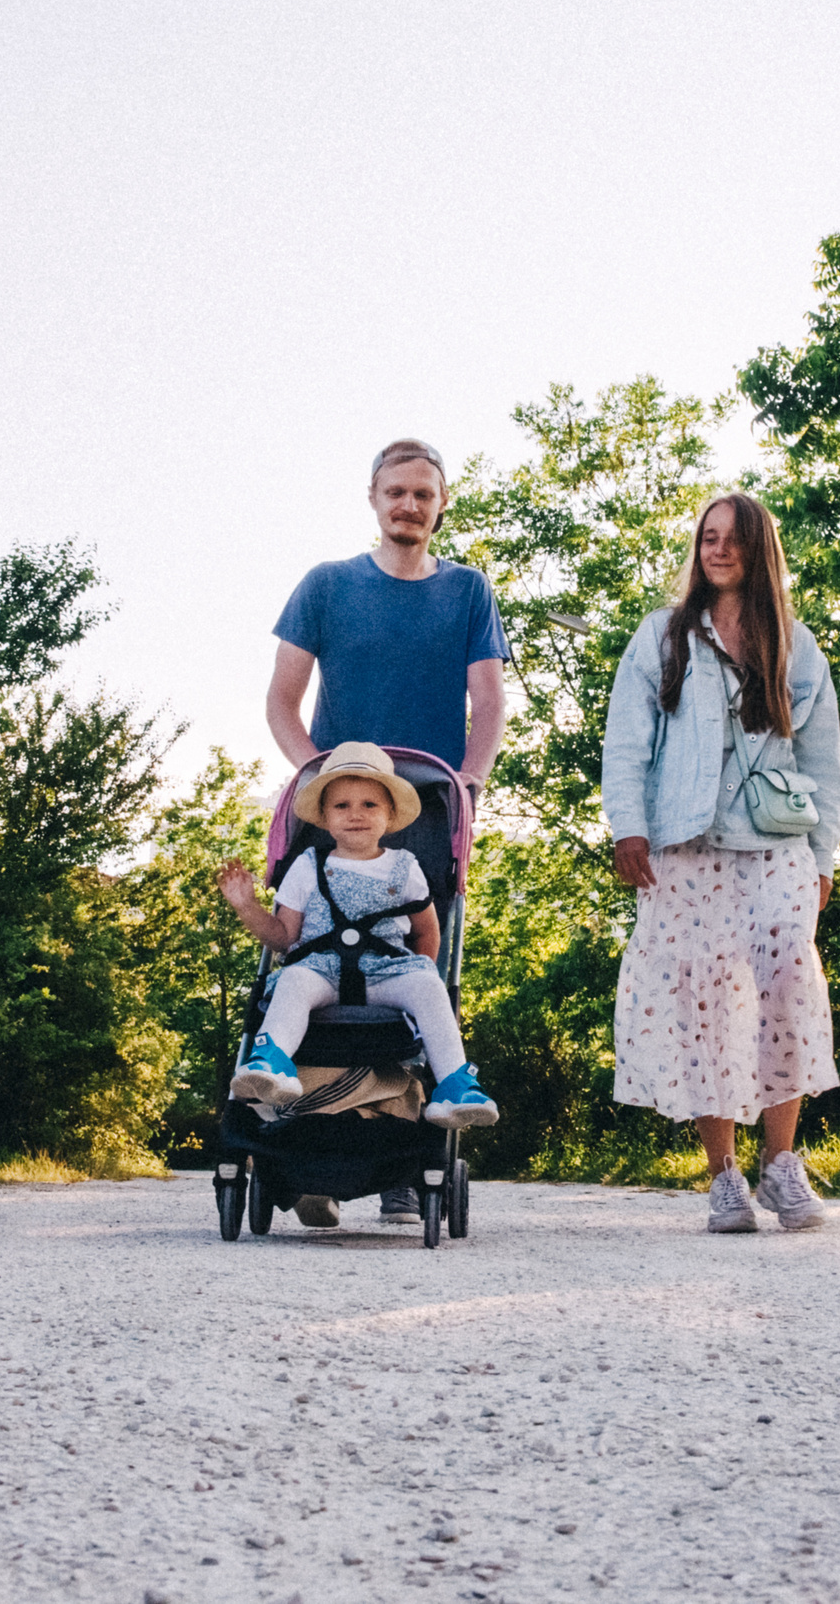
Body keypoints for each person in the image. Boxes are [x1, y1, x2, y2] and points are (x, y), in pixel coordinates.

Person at [266, 438, 509, 1226]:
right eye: (396, 492)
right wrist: (315, 774)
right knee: (309, 963)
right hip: (335, 808)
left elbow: (490, 700)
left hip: (427, 808)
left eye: (423, 495)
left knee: (414, 973)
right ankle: (303, 1139)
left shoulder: (468, 591)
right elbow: (281, 701)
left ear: (441, 504)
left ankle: (403, 1157)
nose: (409, 506)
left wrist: (469, 777)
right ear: (372, 496)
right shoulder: (327, 586)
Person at [599, 492, 840, 1233]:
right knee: (703, 1005)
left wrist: (823, 857)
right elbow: (627, 743)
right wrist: (629, 829)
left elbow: (824, 762)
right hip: (686, 849)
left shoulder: (796, 647)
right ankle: (724, 1177)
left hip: (775, 850)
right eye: (708, 537)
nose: (718, 549)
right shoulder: (662, 638)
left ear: (757, 549)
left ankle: (780, 1165)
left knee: (787, 992)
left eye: (733, 539)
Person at [218, 741, 498, 1133]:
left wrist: (418, 976)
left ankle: (455, 1084)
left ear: (389, 815)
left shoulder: (405, 867)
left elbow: (426, 930)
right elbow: (283, 938)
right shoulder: (307, 865)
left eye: (370, 805)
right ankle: (271, 1061)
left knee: (428, 985)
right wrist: (247, 906)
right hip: (320, 970)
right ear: (324, 817)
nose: (356, 815)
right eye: (342, 805)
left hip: (386, 972)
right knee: (293, 978)